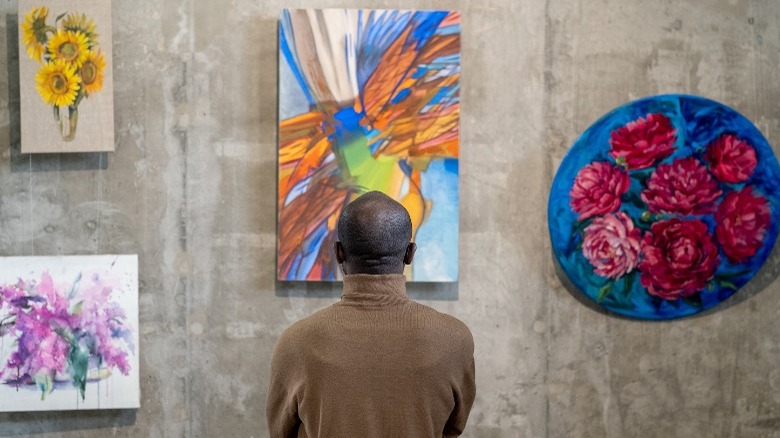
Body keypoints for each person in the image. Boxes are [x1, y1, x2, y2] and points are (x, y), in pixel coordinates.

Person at [266, 191, 476, 437]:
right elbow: (453, 428)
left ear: (338, 253)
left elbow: (281, 432)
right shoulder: (455, 339)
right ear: (410, 253)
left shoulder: (295, 342)